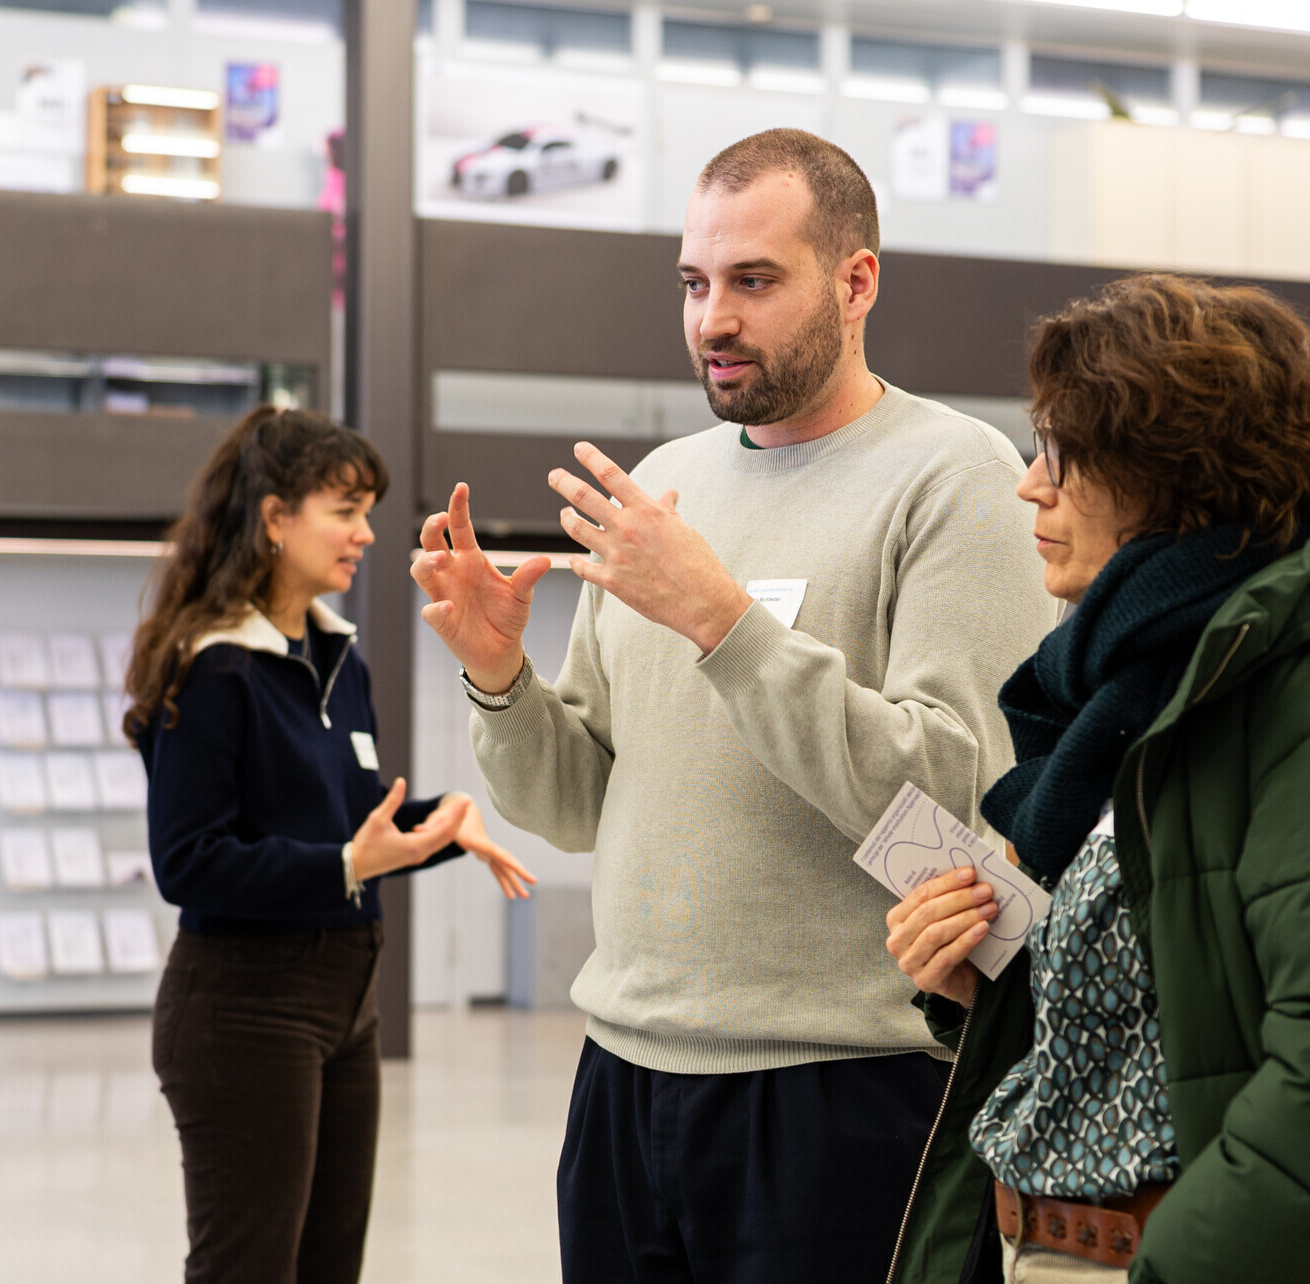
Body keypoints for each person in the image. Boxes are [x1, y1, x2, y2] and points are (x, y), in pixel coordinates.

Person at [409, 128, 1054, 1282]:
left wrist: (725, 622)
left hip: (845, 1087)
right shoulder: (665, 488)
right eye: (696, 284)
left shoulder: (955, 479)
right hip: (624, 1075)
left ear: (856, 282)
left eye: (755, 281)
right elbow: (578, 805)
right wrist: (500, 677)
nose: (714, 319)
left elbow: (956, 803)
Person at [882, 274, 1310, 1283]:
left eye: (1063, 454)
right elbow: (1174, 1009)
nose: (1029, 486)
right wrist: (981, 983)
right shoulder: (1138, 708)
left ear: (1172, 476)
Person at [127, 406, 539, 1284]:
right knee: (248, 1269)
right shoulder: (213, 667)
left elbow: (353, 816)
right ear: (274, 518)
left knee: (328, 1268)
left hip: (346, 997)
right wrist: (348, 866)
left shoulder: (340, 660)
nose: (365, 533)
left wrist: (440, 823)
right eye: (343, 510)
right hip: (243, 1006)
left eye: (368, 511)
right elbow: (188, 862)